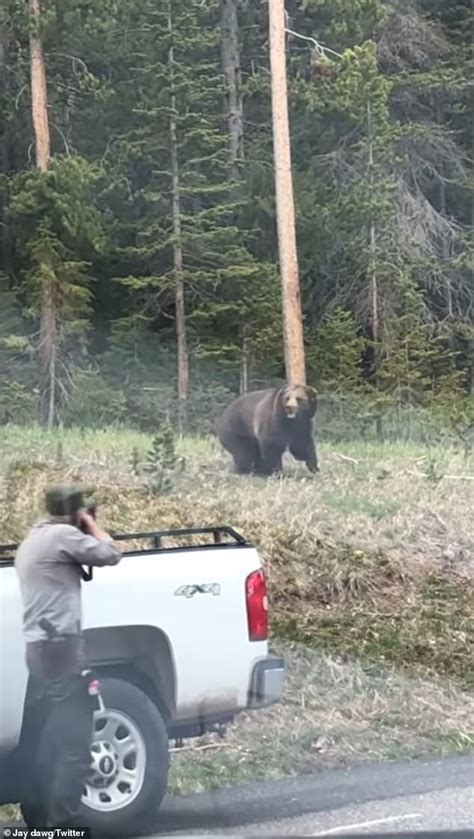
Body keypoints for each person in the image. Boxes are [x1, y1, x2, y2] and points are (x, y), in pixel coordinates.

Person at [14, 484, 122, 828]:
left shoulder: (35, 538)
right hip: (61, 649)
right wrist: (89, 525)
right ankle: (63, 827)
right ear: (73, 512)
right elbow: (111, 553)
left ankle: (41, 823)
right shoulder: (63, 535)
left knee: (49, 739)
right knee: (75, 745)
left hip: (40, 650)